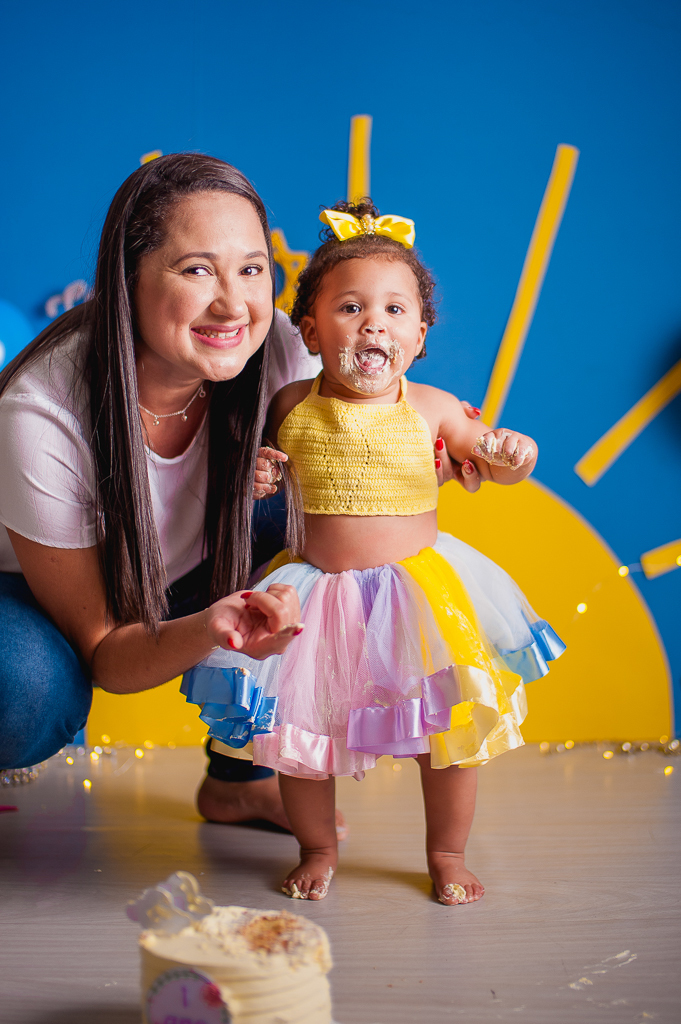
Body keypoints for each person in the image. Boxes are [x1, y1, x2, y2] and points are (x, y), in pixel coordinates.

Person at [0, 157, 478, 829]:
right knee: (20, 688)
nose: (233, 305)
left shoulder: (279, 351)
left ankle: (238, 777)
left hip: (183, 570)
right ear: (127, 279)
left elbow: (375, 437)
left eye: (252, 269)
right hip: (43, 599)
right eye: (196, 269)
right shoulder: (42, 410)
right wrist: (213, 627)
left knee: (304, 488)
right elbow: (109, 652)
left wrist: (440, 454)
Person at [182, 199, 565, 903]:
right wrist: (261, 473)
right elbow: (261, 472)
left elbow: (492, 458)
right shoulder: (291, 402)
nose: (373, 324)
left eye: (393, 312)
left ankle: (445, 852)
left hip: (418, 593)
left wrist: (516, 453)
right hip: (318, 589)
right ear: (309, 330)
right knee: (303, 732)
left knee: (446, 733)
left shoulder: (433, 407)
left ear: (418, 335)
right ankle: (318, 846)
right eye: (350, 308)